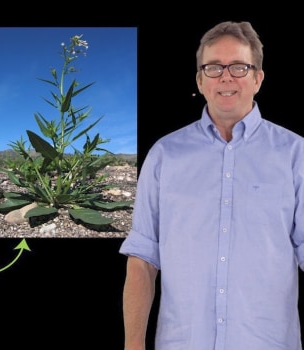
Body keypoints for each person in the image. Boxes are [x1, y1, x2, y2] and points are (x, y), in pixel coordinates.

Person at [119, 20, 304, 349]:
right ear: (200, 80)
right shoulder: (164, 155)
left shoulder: (295, 154)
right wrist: (133, 344)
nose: (226, 77)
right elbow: (143, 260)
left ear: (258, 78)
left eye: (239, 67)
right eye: (214, 67)